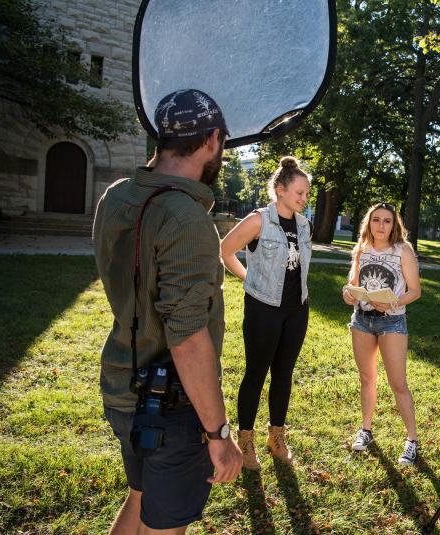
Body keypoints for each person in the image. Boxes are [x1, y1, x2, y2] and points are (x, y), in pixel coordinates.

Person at [93, 89, 243, 534]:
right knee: (165, 524)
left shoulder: (116, 196)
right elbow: (188, 337)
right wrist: (218, 434)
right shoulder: (187, 218)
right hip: (171, 407)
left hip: (122, 385)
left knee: (140, 501)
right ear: (213, 140)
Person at [219, 156, 312, 470]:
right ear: (280, 189)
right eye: (299, 192)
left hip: (296, 309)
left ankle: (276, 436)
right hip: (263, 309)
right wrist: (249, 278)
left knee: (283, 373)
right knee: (256, 373)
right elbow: (225, 249)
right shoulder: (259, 220)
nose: (304, 198)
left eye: (307, 194)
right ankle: (245, 439)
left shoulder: (304, 225)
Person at [342, 203, 422, 465]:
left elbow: (415, 291)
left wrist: (393, 303)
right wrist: (348, 293)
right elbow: (353, 284)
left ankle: (411, 440)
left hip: (392, 322)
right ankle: (366, 431)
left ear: (394, 225)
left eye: (387, 221)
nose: (380, 225)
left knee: (398, 383)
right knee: (367, 378)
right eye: (376, 220)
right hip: (362, 321)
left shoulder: (403, 251)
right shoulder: (361, 249)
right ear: (369, 222)